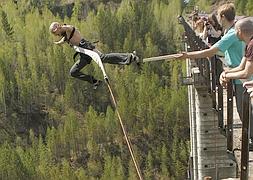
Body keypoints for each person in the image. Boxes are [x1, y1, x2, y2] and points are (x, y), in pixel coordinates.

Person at [178, 3, 245, 123]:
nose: (218, 20)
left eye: (219, 17)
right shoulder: (237, 30)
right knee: (246, 112)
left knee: (243, 113)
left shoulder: (231, 34)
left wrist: (188, 55)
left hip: (240, 78)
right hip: (241, 75)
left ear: (223, 17)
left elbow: (210, 52)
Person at [49, 22, 140, 89]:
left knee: (103, 58)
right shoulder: (64, 35)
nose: (58, 34)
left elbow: (66, 28)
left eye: (57, 32)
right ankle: (95, 81)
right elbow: (64, 39)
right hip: (84, 54)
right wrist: (58, 43)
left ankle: (130, 57)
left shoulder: (67, 28)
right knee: (73, 72)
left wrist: (59, 27)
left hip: (87, 47)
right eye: (56, 33)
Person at [219, 17, 253, 150]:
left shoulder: (251, 45)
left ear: (239, 31)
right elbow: (241, 67)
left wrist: (227, 76)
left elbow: (246, 73)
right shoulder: (248, 45)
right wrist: (226, 74)